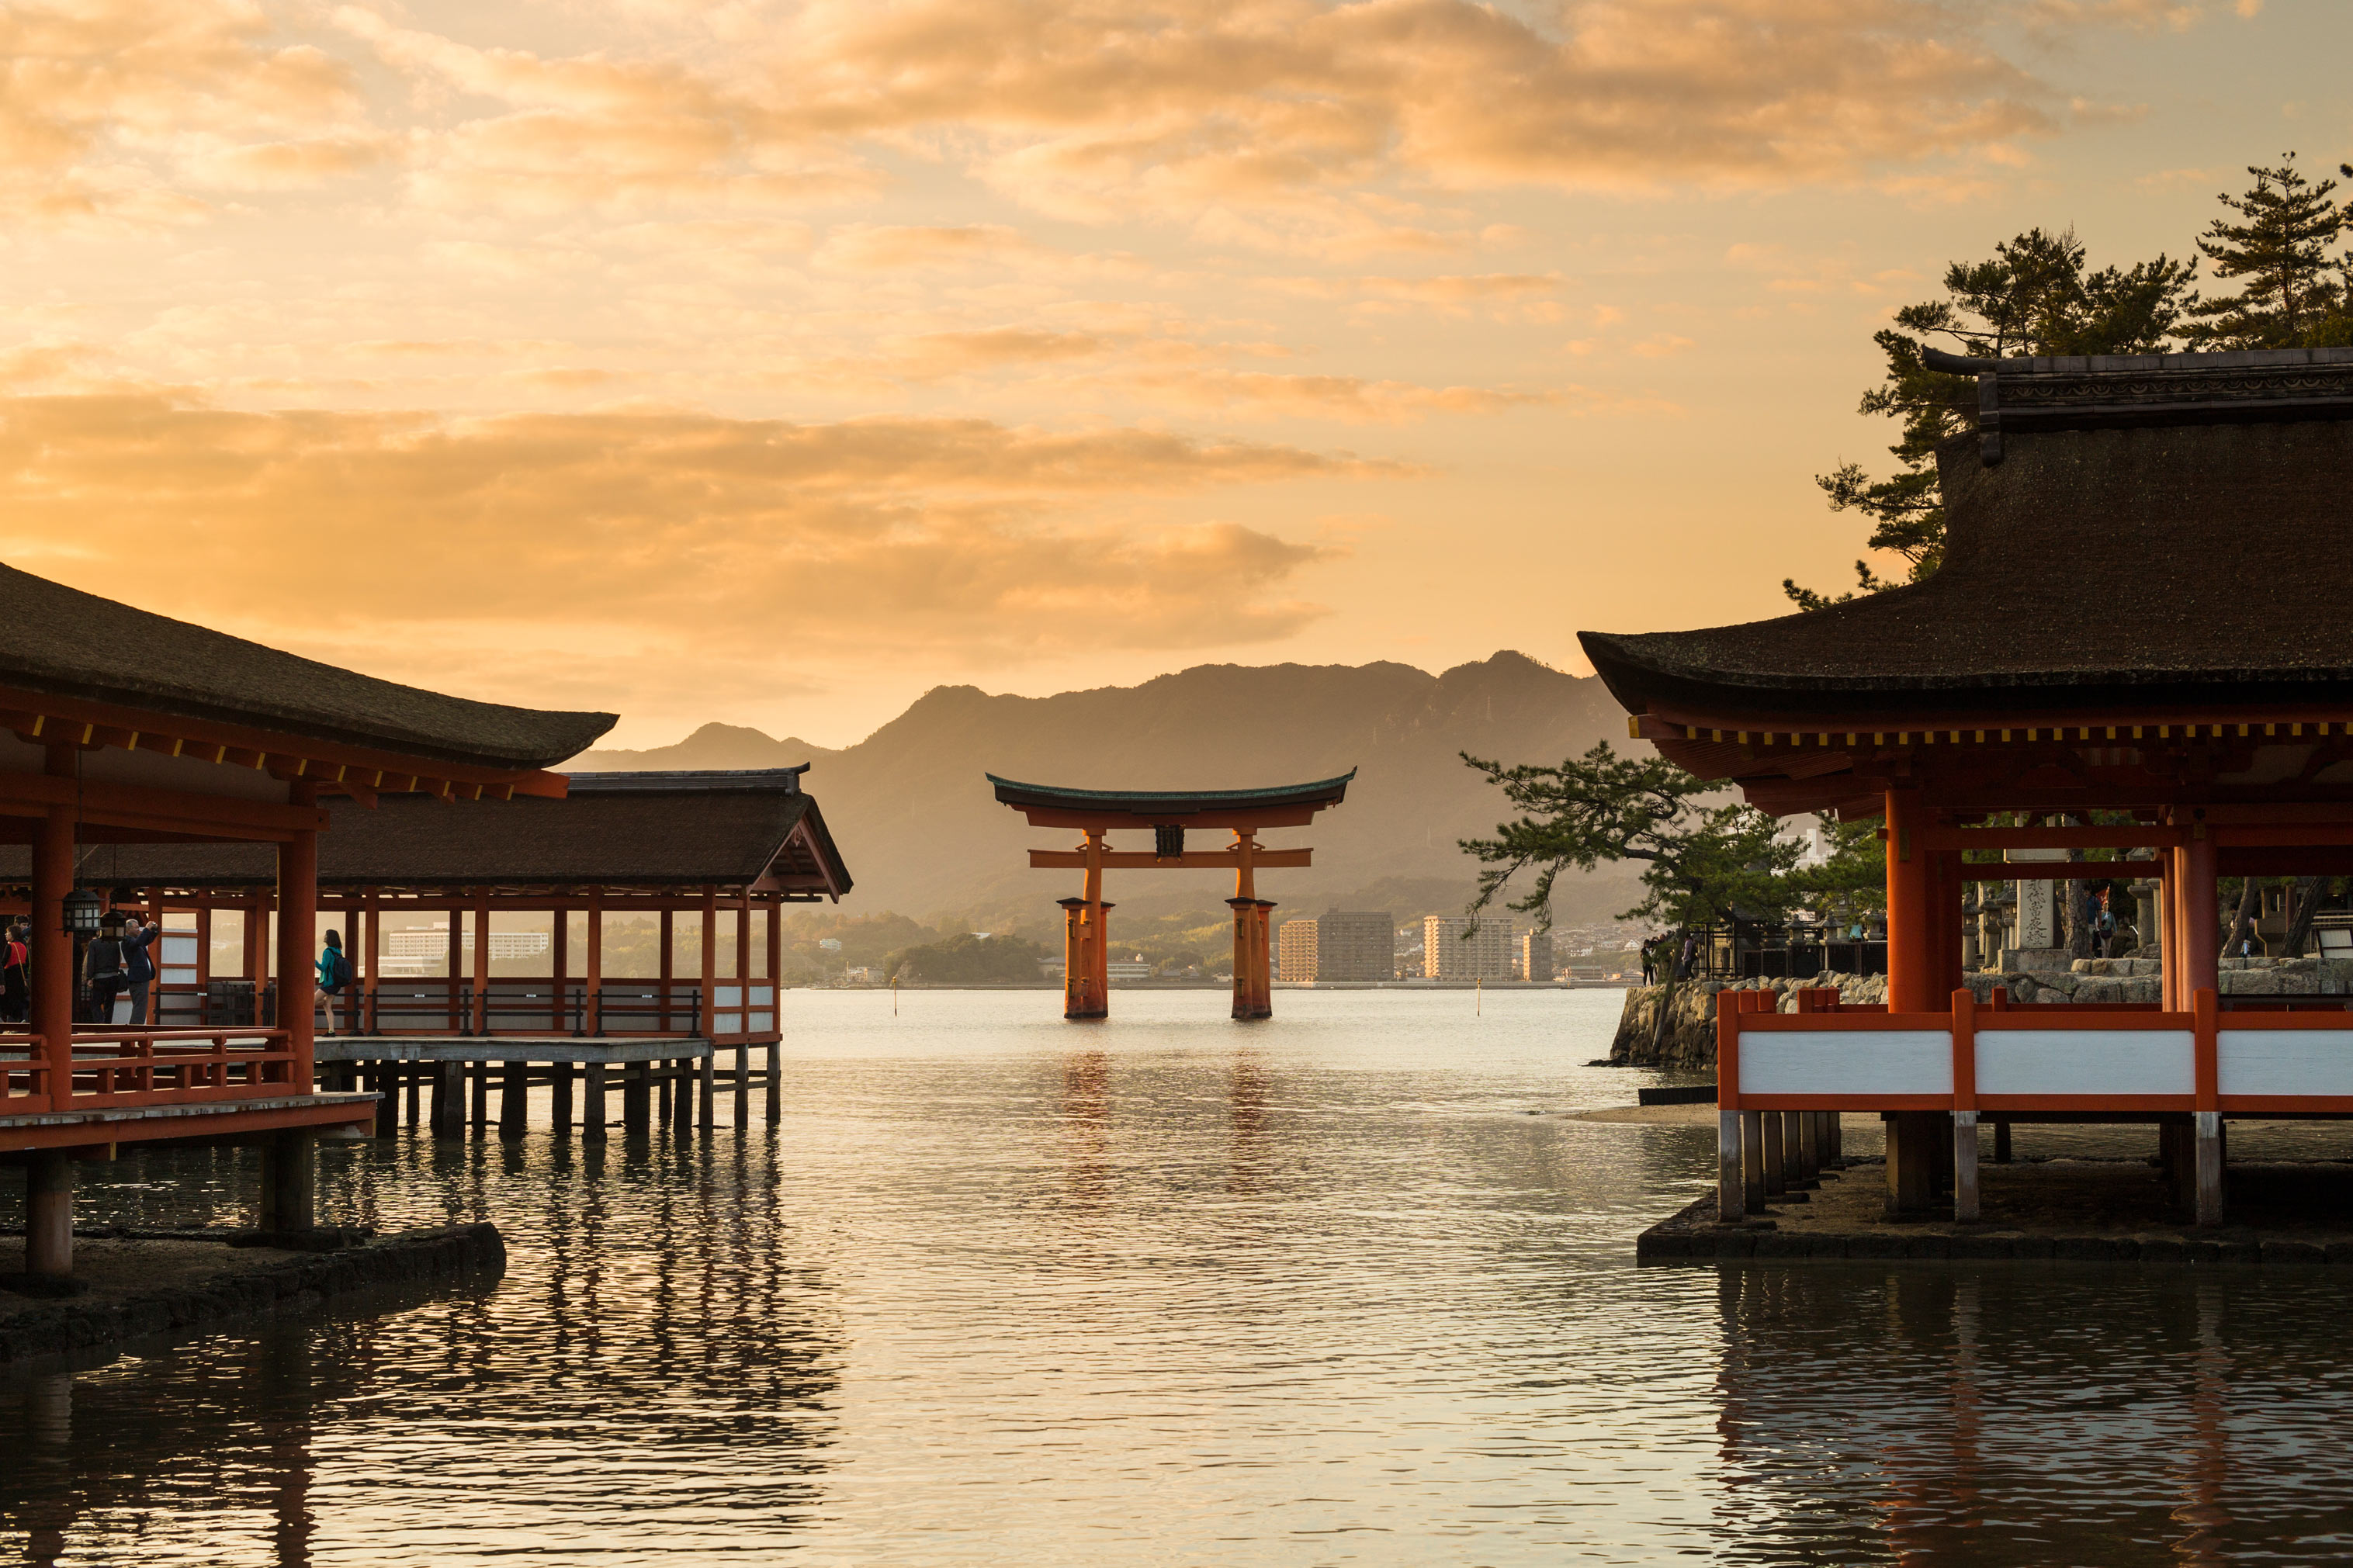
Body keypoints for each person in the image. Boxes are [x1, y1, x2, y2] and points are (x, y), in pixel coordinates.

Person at [83, 915, 127, 1026]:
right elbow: (118, 960)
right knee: (110, 1003)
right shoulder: (115, 943)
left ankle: (100, 1023)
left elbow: (91, 962)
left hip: (99, 977)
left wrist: (89, 977)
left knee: (95, 1003)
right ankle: (108, 1024)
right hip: (113, 977)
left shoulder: (94, 944)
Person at [120, 913, 162, 1028]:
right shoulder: (127, 941)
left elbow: (146, 940)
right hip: (138, 978)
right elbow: (139, 942)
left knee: (141, 1006)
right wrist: (147, 929)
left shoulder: (136, 941)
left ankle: (136, 1028)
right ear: (128, 930)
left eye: (139, 927)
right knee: (140, 1006)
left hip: (142, 978)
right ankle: (135, 1029)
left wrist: (153, 931)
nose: (138, 929)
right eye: (135, 927)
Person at [316, 929, 352, 1035]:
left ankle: (331, 1030)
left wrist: (314, 962)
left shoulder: (327, 952)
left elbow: (323, 968)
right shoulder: (338, 952)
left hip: (328, 983)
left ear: (329, 938)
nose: (324, 937)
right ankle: (331, 1031)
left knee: (310, 1002)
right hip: (336, 984)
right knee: (328, 1007)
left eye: (326, 935)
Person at [0, 921, 26, 1024]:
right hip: (20, 975)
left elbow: (3, 962)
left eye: (8, 933)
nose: (6, 934)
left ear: (13, 934)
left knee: (7, 999)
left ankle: (12, 1020)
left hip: (9, 975)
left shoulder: (10, 946)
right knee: (17, 999)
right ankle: (21, 1019)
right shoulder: (23, 946)